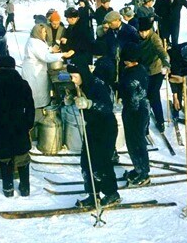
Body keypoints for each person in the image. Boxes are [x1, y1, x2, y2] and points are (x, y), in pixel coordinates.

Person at [67, 61, 121, 207]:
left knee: (101, 162)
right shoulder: (81, 85)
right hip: (91, 127)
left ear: (83, 74)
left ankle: (111, 193)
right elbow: (79, 96)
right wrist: (72, 98)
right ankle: (93, 194)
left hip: (106, 128)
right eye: (70, 76)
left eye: (74, 76)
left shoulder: (98, 85)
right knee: (87, 162)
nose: (72, 80)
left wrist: (89, 104)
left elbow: (108, 107)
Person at [0, 56, 35, 197]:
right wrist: (28, 125)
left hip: (0, 130)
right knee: (22, 156)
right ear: (13, 68)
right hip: (19, 127)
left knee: (4, 157)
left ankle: (8, 189)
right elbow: (30, 108)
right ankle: (25, 188)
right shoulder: (23, 85)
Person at [118, 42, 151, 186]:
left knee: (136, 142)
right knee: (135, 141)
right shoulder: (139, 69)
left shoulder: (133, 76)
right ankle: (138, 168)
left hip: (135, 111)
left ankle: (143, 172)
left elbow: (132, 97)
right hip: (140, 108)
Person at [22, 23, 74, 110]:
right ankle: (36, 110)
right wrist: (62, 55)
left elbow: (44, 50)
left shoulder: (37, 40)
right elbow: (45, 56)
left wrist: (51, 49)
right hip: (34, 72)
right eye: (43, 32)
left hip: (38, 70)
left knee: (41, 92)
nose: (45, 34)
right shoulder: (33, 42)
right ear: (38, 32)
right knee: (36, 93)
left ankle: (40, 106)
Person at [138, 17, 171, 133]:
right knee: (146, 95)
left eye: (144, 31)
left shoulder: (154, 38)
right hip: (144, 70)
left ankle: (160, 121)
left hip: (156, 71)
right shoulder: (138, 36)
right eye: (140, 32)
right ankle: (145, 122)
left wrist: (166, 64)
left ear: (149, 29)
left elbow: (163, 53)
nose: (142, 34)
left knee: (153, 95)